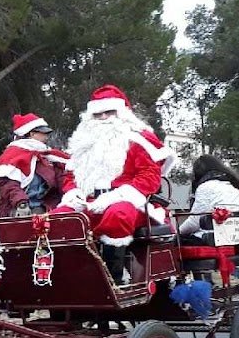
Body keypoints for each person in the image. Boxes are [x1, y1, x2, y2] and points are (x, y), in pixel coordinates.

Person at [53, 84, 175, 280]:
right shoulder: (82, 143)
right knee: (59, 219)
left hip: (128, 202)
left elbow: (149, 176)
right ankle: (69, 279)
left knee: (117, 215)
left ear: (122, 113)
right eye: (97, 114)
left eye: (109, 112)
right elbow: (69, 177)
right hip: (88, 201)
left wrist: (116, 196)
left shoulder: (138, 139)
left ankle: (112, 280)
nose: (103, 118)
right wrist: (72, 193)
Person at [0, 112, 69, 217]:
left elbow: (62, 180)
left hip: (46, 211)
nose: (47, 136)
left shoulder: (48, 157)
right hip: (19, 212)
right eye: (43, 133)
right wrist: (21, 203)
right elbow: (8, 185)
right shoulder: (11, 156)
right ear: (32, 134)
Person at [177, 154, 239, 243]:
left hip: (211, 237)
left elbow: (195, 221)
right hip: (232, 236)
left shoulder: (205, 186)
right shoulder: (232, 186)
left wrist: (177, 232)